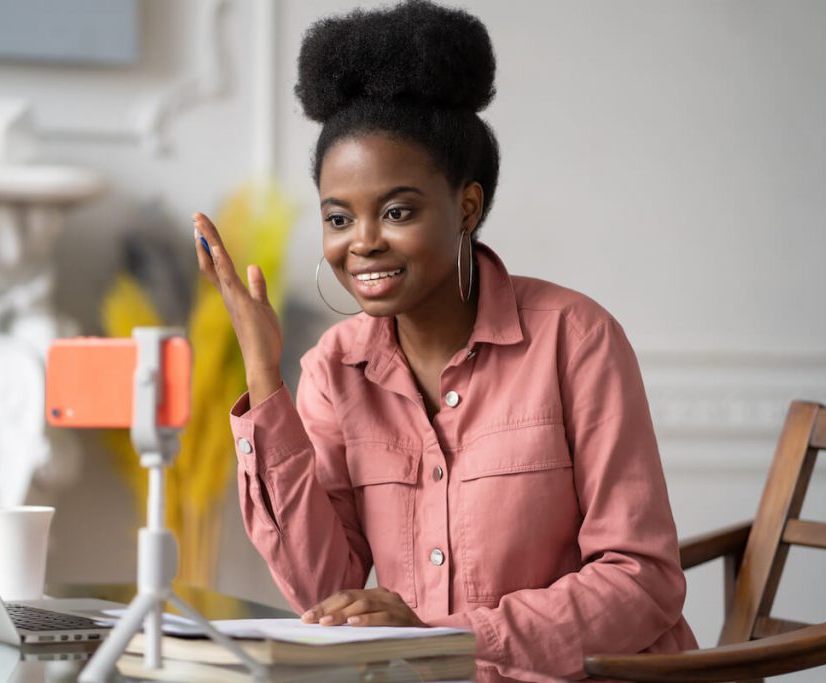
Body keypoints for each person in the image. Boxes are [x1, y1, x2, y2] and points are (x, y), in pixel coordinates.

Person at [192, 1, 697, 680]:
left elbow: (642, 580)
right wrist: (263, 373)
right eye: (339, 217)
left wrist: (444, 635)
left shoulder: (575, 338)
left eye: (397, 211)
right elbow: (321, 590)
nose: (364, 240)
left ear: (467, 206)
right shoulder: (333, 369)